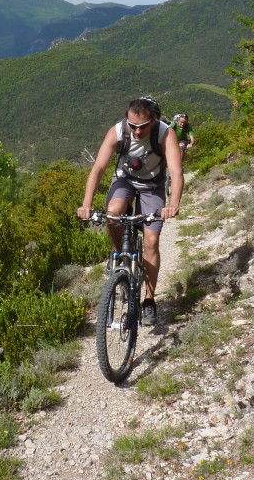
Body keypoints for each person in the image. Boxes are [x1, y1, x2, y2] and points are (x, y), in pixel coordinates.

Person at [77, 97, 184, 324]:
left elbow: (176, 171)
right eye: (132, 126)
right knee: (113, 213)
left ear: (153, 119)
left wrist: (173, 203)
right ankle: (118, 255)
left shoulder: (165, 134)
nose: (136, 131)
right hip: (124, 181)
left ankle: (149, 300)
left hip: (153, 186)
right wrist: (86, 204)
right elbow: (98, 168)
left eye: (142, 126)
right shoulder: (117, 131)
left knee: (151, 241)